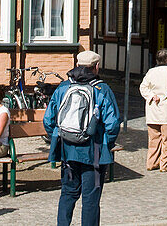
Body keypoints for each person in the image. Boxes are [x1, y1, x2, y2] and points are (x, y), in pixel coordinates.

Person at [44, 50, 121, 226]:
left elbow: (48, 120)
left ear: (77, 64)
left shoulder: (63, 87)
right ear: (96, 67)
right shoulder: (102, 89)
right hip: (93, 151)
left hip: (67, 150)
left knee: (68, 193)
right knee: (91, 198)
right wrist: (106, 145)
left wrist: (60, 138)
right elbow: (113, 124)